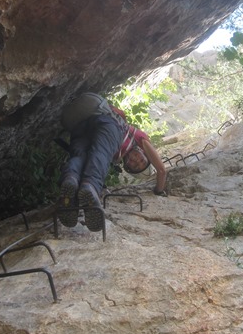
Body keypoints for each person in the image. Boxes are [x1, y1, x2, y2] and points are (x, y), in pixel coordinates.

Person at [57, 93, 167, 231]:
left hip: (80, 126)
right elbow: (162, 171)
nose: (136, 160)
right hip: (107, 123)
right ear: (143, 153)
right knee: (101, 154)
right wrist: (159, 191)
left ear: (127, 168)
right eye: (141, 159)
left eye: (135, 165)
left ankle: (70, 180)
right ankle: (90, 186)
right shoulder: (137, 137)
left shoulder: (117, 156)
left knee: (80, 157)